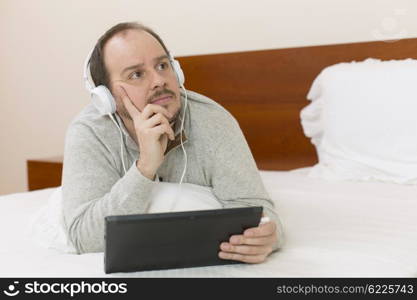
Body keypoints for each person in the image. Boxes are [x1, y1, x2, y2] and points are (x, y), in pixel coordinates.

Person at [62, 22, 284, 263]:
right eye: (136, 74)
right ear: (105, 97)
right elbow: (83, 238)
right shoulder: (88, 132)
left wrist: (267, 237)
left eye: (162, 65)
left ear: (177, 72)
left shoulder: (212, 120)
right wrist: (145, 167)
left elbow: (260, 214)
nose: (159, 80)